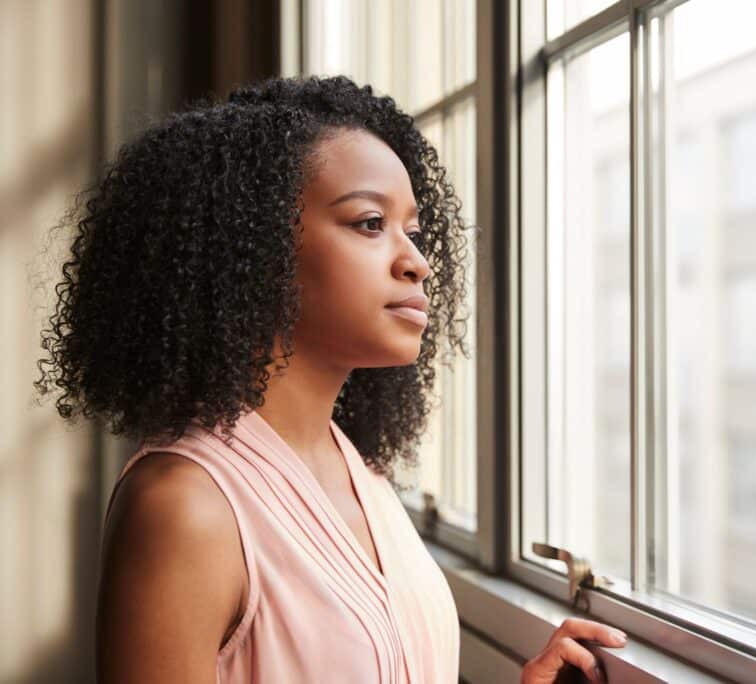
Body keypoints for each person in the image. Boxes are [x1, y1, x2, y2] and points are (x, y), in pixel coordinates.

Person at [35, 75, 626, 683]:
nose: (416, 262)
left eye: (414, 232)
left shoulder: (357, 470)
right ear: (258, 248)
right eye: (370, 223)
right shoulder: (185, 507)